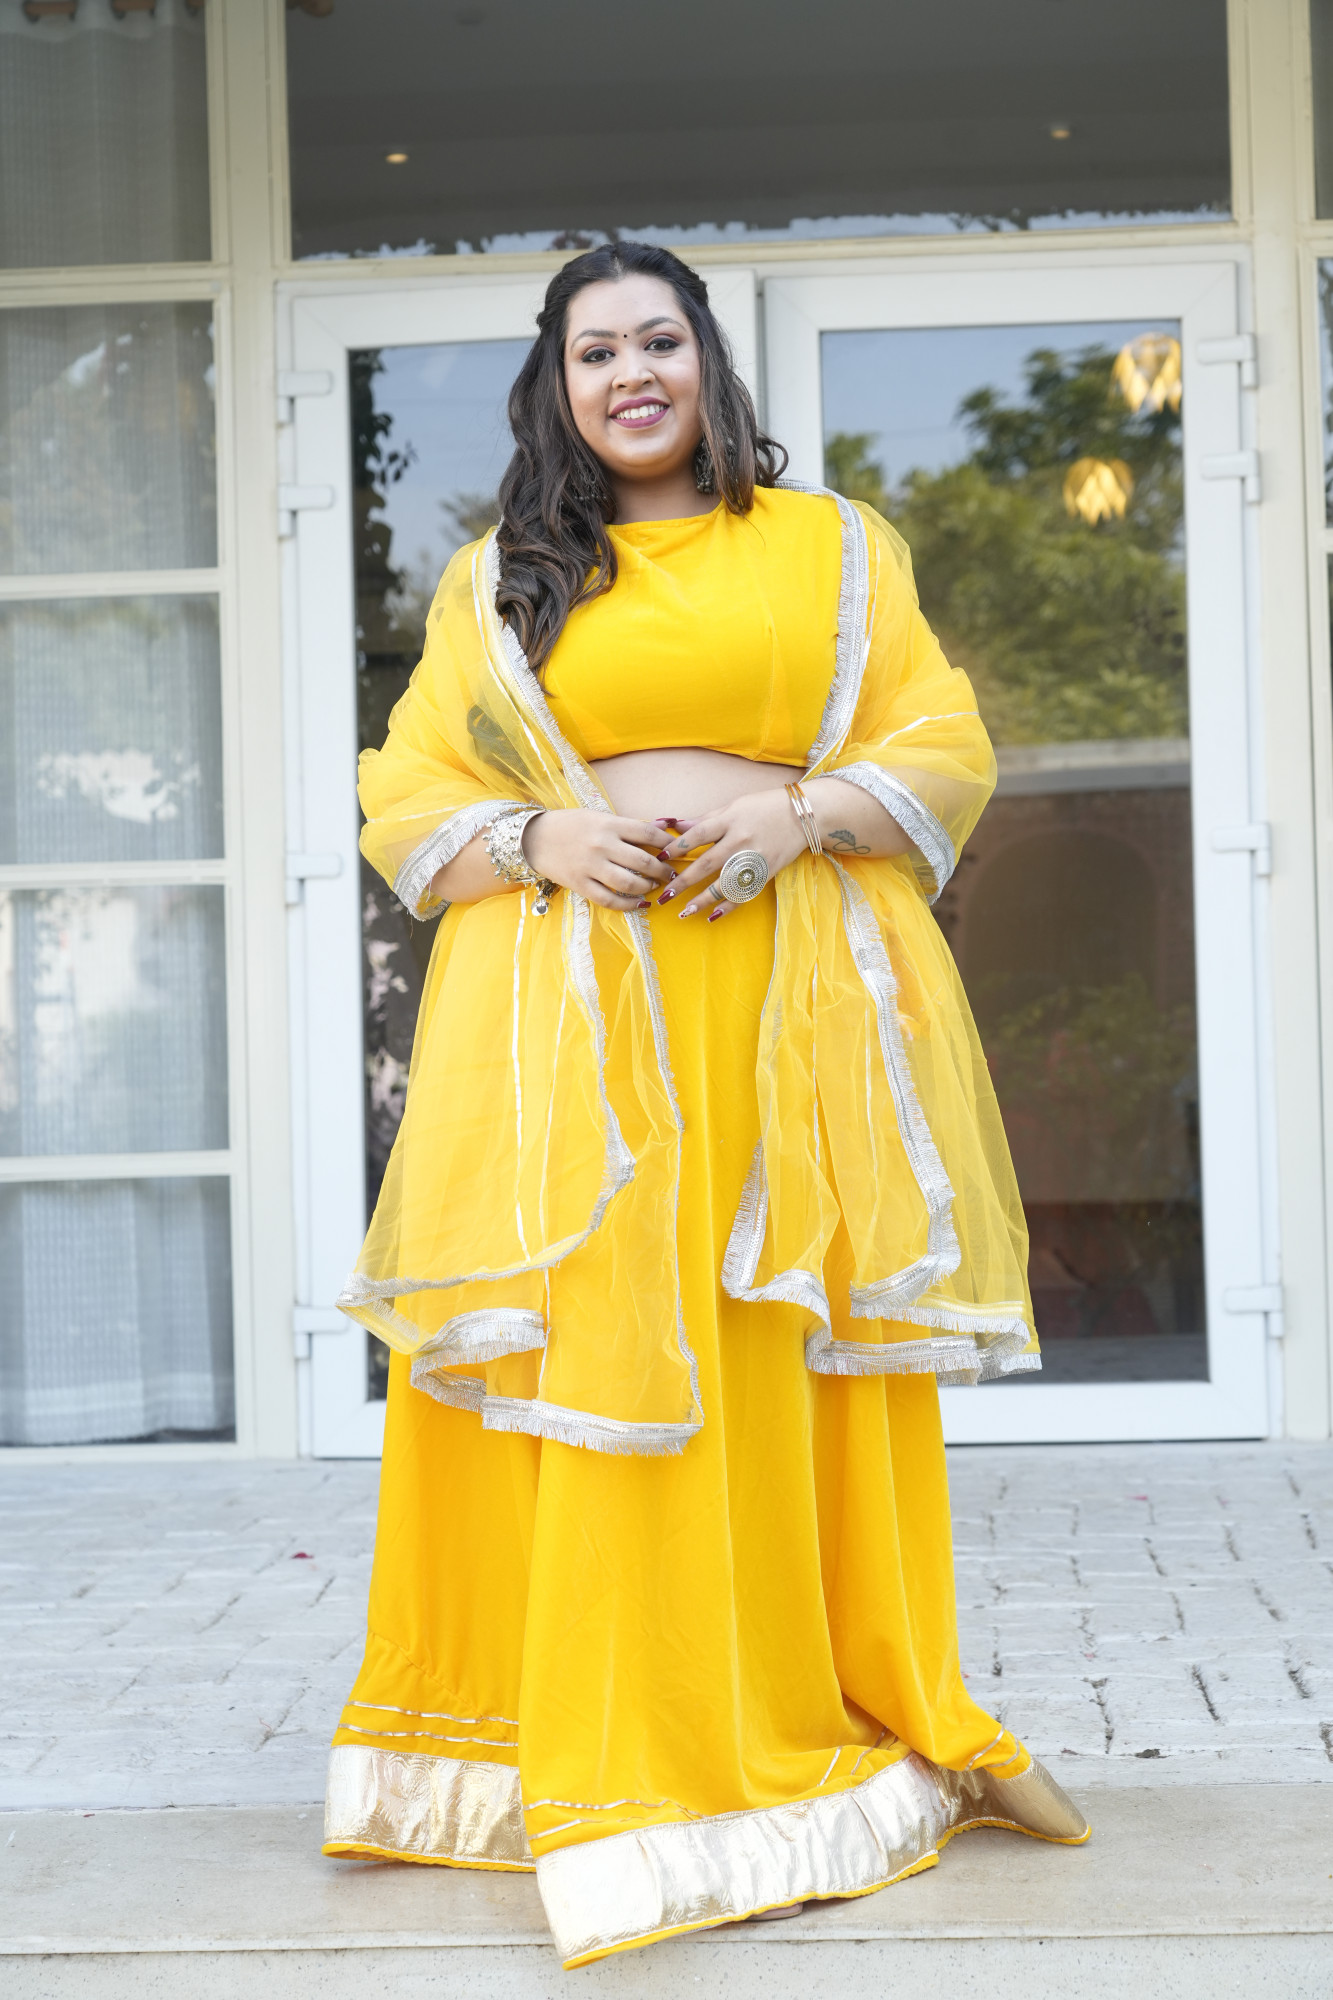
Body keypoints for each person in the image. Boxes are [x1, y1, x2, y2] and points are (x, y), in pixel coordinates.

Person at [323, 241, 1089, 1969]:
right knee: (603, 1347)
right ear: (558, 387)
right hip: (577, 1015)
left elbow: (939, 731)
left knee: (756, 1354)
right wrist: (539, 838)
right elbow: (411, 781)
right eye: (596, 352)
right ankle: (586, 1752)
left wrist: (797, 820)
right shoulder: (500, 579)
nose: (631, 374)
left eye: (658, 339)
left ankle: (816, 1721)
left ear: (705, 361)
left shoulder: (826, 547)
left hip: (776, 1003)